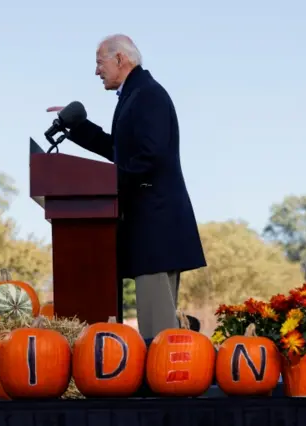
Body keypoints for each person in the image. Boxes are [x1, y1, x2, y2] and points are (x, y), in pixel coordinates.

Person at [46, 34, 206, 342]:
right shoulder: (136, 95)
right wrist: (77, 127)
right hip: (149, 223)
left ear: (121, 59)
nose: (96, 71)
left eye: (99, 62)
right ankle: (177, 358)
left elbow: (150, 157)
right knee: (157, 321)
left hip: (156, 224)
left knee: (159, 329)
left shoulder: (147, 95)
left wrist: (107, 182)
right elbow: (120, 151)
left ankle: (170, 382)